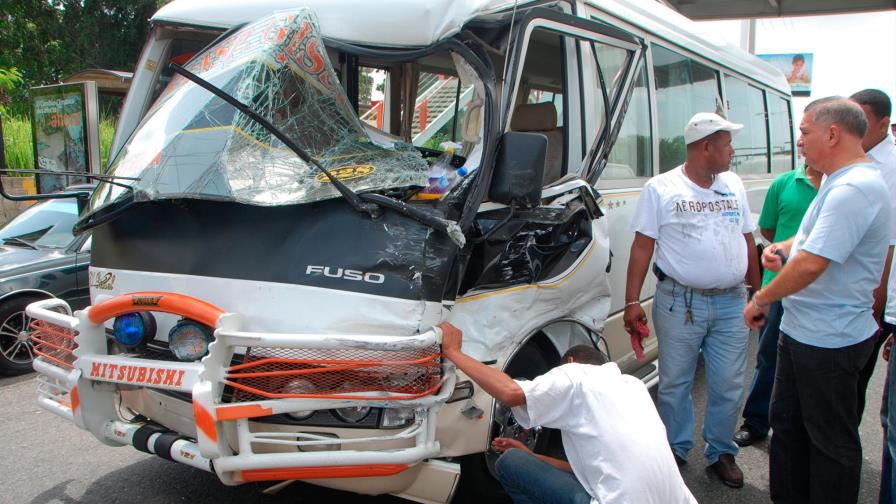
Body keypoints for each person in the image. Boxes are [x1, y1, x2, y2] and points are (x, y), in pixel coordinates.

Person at [744, 97, 891, 504]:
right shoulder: (837, 180)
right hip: (804, 331)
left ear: (832, 133)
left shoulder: (857, 188)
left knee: (829, 443)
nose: (800, 141)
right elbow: (807, 242)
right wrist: (783, 248)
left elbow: (811, 264)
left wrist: (761, 298)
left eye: (805, 132)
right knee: (788, 428)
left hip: (829, 341)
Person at [624, 112, 761, 488]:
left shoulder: (732, 184)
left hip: (732, 303)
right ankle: (674, 450)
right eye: (727, 144)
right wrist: (632, 302)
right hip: (679, 303)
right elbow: (642, 246)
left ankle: (720, 451)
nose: (732, 151)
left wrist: (758, 293)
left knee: (729, 383)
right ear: (706, 147)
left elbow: (747, 239)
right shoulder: (661, 188)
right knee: (674, 383)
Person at [437, 322, 696, 504]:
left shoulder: (577, 375)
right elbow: (587, 467)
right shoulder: (633, 387)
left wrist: (454, 352)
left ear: (570, 362)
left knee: (508, 464)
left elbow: (510, 393)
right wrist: (532, 456)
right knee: (522, 459)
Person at [733, 163, 821, 447]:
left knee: (813, 365)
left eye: (808, 134)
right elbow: (768, 230)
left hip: (819, 293)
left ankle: (800, 430)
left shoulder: (838, 185)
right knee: (769, 357)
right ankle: (757, 421)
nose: (801, 141)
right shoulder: (784, 183)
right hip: (778, 287)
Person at [851, 89, 896, 421]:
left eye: (861, 120)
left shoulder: (890, 168)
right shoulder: (851, 158)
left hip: (873, 298)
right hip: (850, 293)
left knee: (852, 386)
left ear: (884, 123)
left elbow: (888, 243)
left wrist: (875, 305)